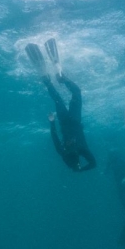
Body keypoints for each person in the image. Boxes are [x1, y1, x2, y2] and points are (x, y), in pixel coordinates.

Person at [26, 40, 96, 172]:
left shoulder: (64, 151)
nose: (69, 145)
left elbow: (54, 136)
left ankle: (50, 79)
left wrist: (52, 122)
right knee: (72, 93)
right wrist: (80, 169)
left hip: (66, 120)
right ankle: (58, 78)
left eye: (68, 147)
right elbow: (93, 164)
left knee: (61, 97)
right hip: (73, 120)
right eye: (71, 147)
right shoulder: (79, 150)